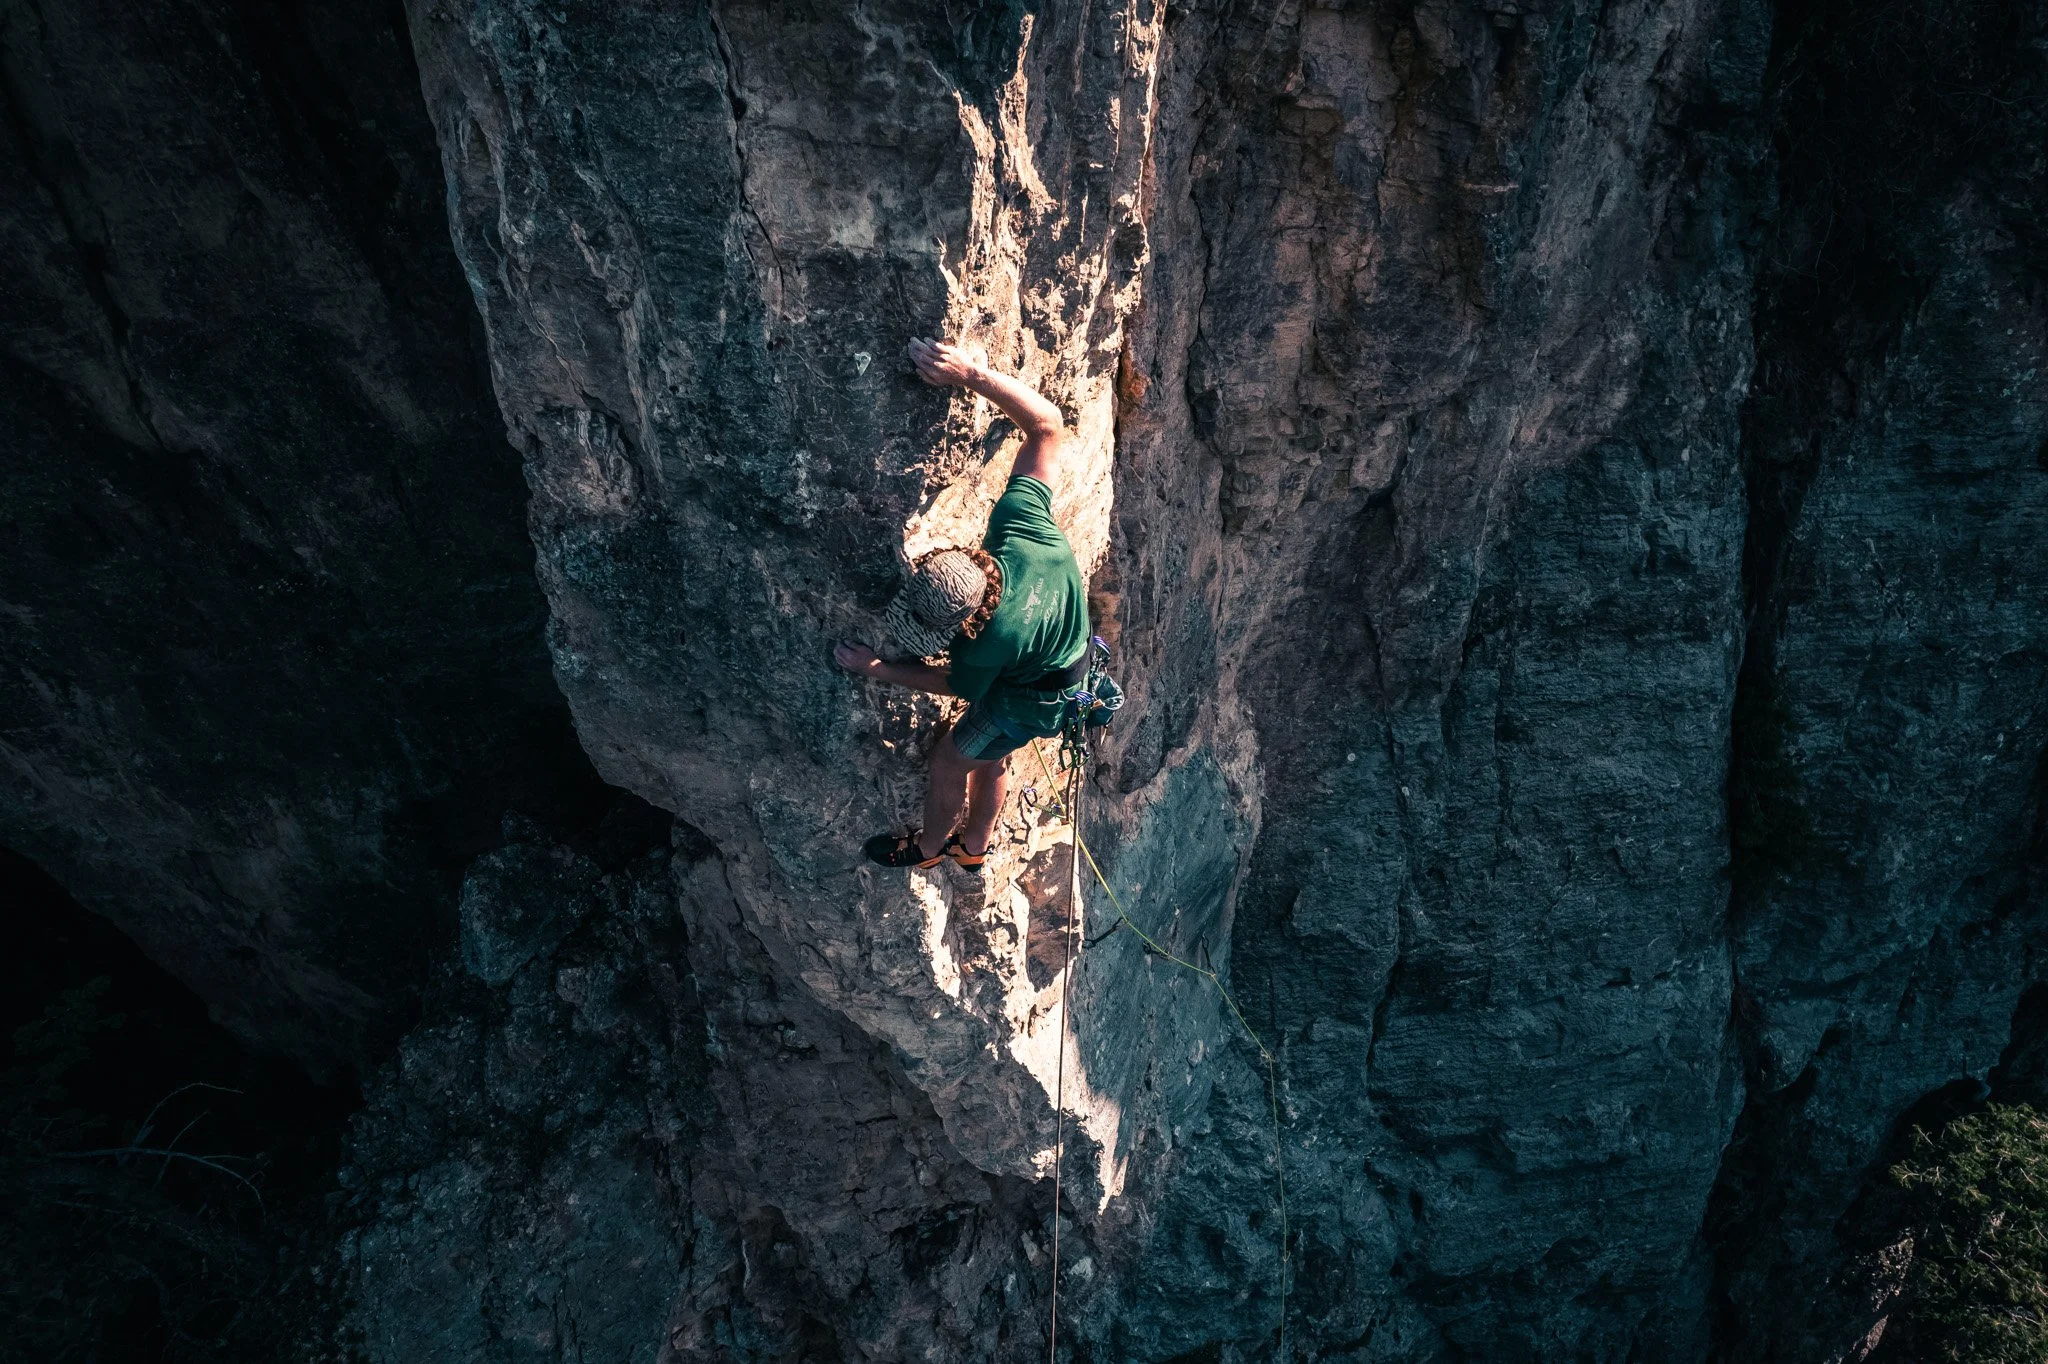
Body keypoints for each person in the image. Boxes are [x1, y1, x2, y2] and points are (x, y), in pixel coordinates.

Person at [835, 337, 1091, 871]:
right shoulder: (1022, 527)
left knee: (952, 760)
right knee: (991, 755)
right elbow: (1047, 424)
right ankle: (974, 848)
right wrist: (971, 374)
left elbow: (952, 683)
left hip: (1031, 698)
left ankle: (928, 849)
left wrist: (877, 667)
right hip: (1067, 664)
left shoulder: (990, 643)